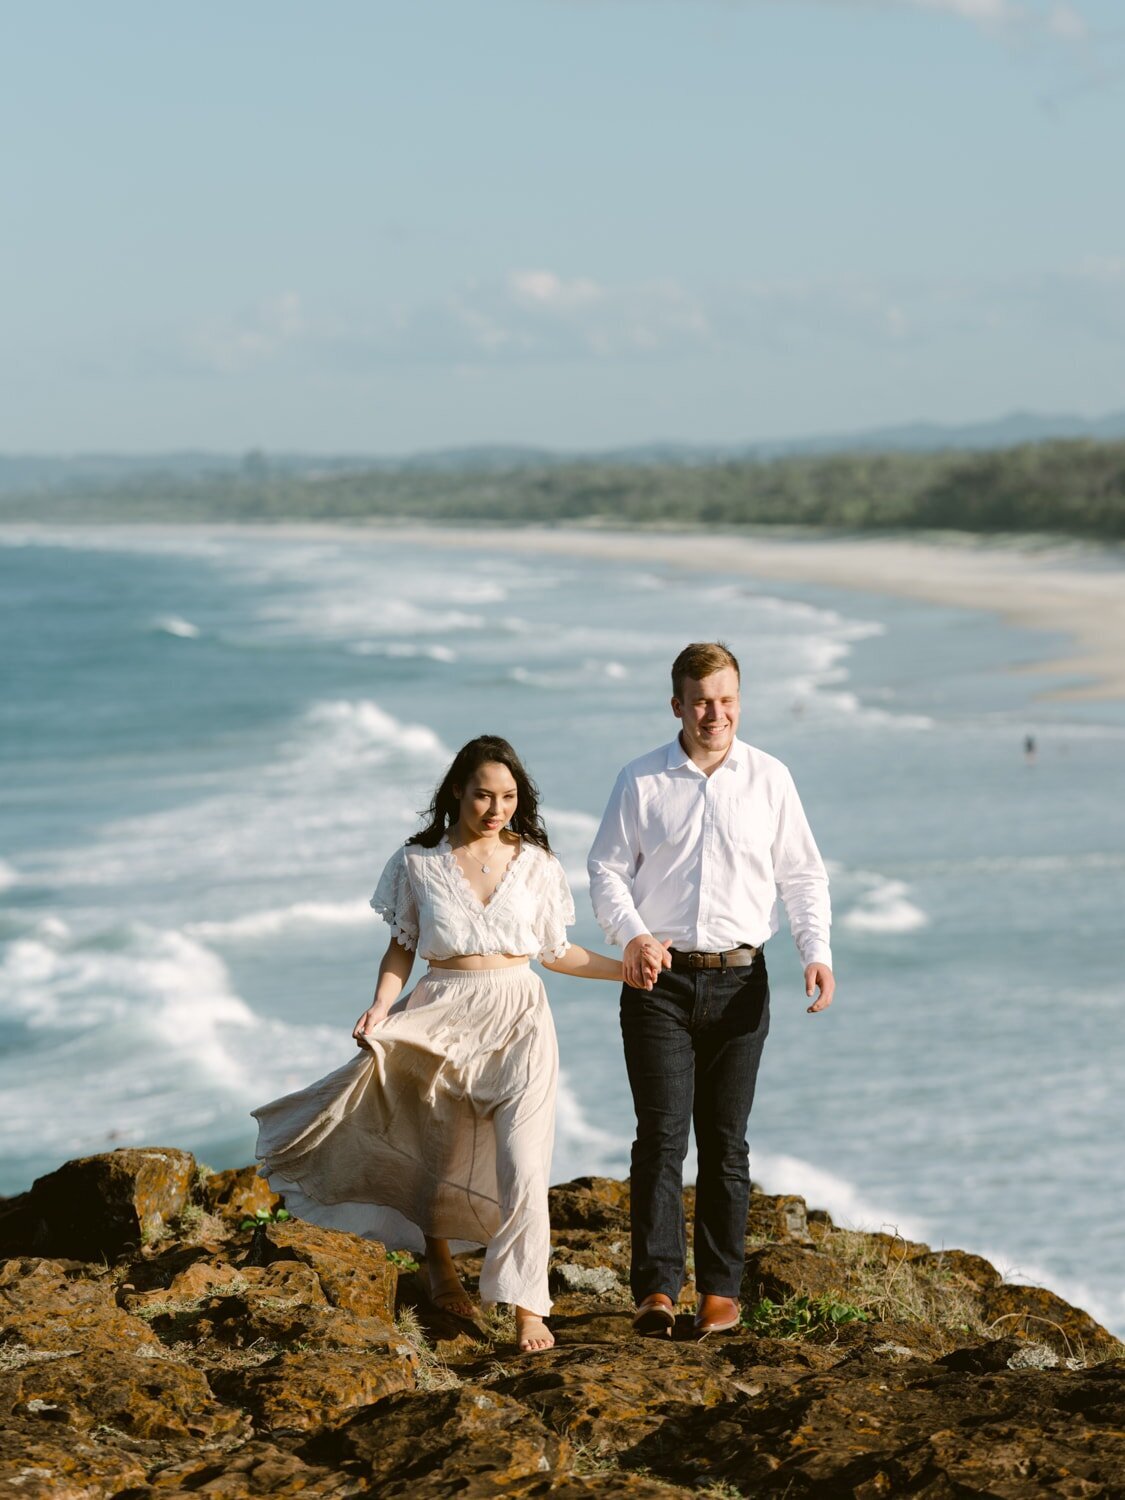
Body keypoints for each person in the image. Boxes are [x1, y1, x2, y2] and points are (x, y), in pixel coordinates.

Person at [253, 734, 622, 1355]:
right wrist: (379, 1004)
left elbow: (557, 953)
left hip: (519, 1017)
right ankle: (440, 1265)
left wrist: (627, 969)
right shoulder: (417, 862)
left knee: (525, 1165)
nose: (496, 808)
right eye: (483, 795)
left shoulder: (536, 863)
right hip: (441, 1013)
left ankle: (528, 1305)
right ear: (457, 790)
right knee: (437, 1154)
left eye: (507, 797)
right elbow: (402, 945)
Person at [587, 642, 835, 1338]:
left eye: (725, 700)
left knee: (725, 1144)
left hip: (741, 982)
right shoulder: (639, 781)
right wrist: (633, 935)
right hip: (657, 982)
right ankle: (656, 1292)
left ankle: (720, 1293)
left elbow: (802, 876)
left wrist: (814, 953)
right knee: (660, 1140)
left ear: (739, 702)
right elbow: (605, 870)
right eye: (700, 701)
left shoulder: (770, 779)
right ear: (676, 705)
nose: (713, 713)